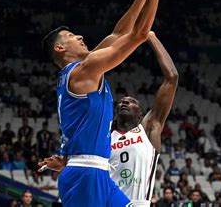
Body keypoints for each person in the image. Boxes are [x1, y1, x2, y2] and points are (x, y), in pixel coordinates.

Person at [41, 0, 173, 207]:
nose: (79, 36)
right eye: (69, 36)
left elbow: (119, 33)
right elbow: (137, 35)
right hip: (85, 173)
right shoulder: (82, 72)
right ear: (59, 49)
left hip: (98, 171)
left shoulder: (85, 67)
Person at [39, 32, 178, 206]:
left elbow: (172, 78)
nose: (125, 101)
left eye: (132, 101)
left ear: (141, 114)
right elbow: (87, 158)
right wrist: (68, 161)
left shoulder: (149, 129)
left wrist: (150, 36)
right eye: (122, 101)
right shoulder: (104, 138)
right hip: (101, 196)